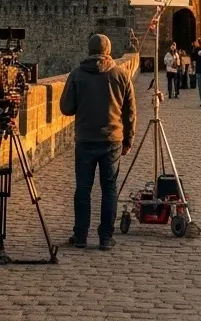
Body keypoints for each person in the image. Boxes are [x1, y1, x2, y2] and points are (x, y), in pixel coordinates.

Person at [60, 34, 137, 250]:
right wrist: (128, 139)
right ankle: (105, 237)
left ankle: (81, 236)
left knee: (83, 188)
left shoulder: (76, 75)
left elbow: (66, 108)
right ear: (109, 51)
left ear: (89, 50)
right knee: (109, 189)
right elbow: (130, 112)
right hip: (112, 140)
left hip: (85, 139)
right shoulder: (121, 75)